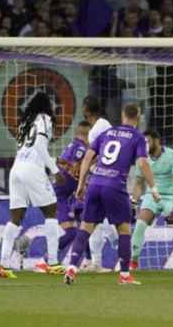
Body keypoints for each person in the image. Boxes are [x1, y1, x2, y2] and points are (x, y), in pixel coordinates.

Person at [64, 103, 160, 285]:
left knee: (85, 228)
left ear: (122, 115)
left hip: (95, 183)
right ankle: (124, 276)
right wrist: (153, 187)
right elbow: (143, 163)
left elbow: (87, 158)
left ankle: (71, 268)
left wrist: (81, 184)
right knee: (124, 229)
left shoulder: (106, 133)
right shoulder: (138, 137)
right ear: (138, 116)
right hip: (115, 185)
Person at [0, 92, 63, 279]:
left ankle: (3, 264)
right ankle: (53, 262)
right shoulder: (45, 119)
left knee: (16, 217)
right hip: (33, 169)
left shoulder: (25, 122)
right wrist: (55, 171)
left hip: (16, 169)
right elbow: (40, 148)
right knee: (51, 211)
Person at [130, 129, 173, 269]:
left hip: (171, 196)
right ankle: (133, 261)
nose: (145, 146)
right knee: (140, 225)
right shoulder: (142, 159)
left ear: (157, 141)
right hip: (152, 196)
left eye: (147, 142)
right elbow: (138, 183)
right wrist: (134, 203)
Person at [81, 96, 118, 273]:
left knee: (95, 218)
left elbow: (96, 154)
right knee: (98, 218)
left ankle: (122, 254)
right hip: (110, 176)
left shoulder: (95, 131)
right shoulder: (105, 124)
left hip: (103, 177)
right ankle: (97, 262)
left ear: (86, 110)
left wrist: (85, 172)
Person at [54, 121, 91, 257]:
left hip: (68, 196)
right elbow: (67, 165)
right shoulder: (81, 148)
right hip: (60, 198)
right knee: (72, 233)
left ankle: (89, 261)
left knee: (84, 227)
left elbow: (60, 162)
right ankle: (45, 260)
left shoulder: (73, 145)